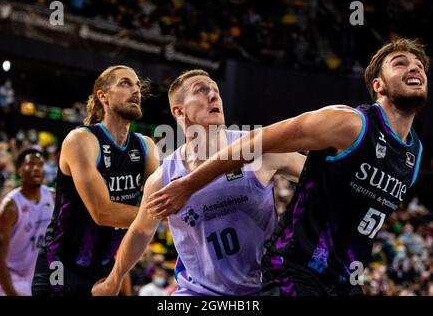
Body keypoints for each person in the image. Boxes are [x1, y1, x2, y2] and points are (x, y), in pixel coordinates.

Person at [145, 38, 427, 296]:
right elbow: (255, 142)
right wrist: (188, 184)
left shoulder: (412, 155)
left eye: (419, 65)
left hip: (343, 280)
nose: (414, 68)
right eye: (400, 63)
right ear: (378, 85)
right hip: (295, 272)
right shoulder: (348, 123)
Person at [92, 69, 305, 296]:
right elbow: (141, 231)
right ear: (179, 111)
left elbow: (321, 177)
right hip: (197, 293)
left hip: (263, 289)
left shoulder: (259, 150)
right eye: (201, 91)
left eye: (216, 90)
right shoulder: (163, 178)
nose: (213, 96)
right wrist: (113, 282)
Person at [31, 65, 159, 296]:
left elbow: (159, 200)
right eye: (125, 83)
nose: (136, 91)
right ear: (103, 95)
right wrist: (162, 213)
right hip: (61, 266)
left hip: (106, 268)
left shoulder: (146, 147)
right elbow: (102, 212)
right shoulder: (81, 140)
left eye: (138, 86)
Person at [0, 149, 54, 296]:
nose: (37, 168)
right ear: (19, 171)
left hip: (32, 275)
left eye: (40, 164)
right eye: (31, 164)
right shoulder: (10, 207)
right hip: (4, 276)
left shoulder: (52, 197)